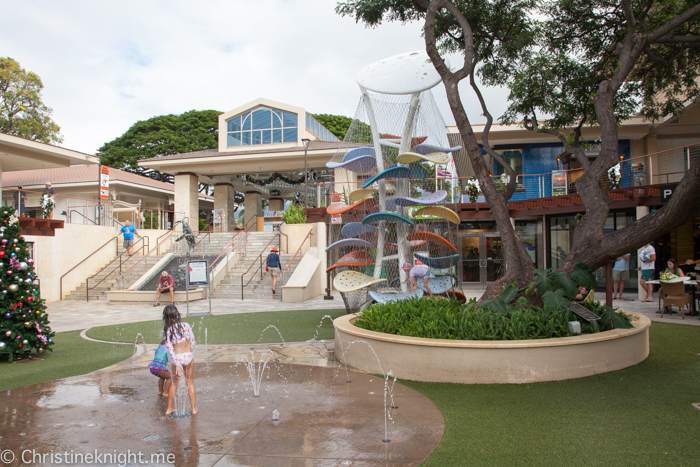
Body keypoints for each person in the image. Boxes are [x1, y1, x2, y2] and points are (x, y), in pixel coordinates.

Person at [163, 305, 197, 416]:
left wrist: (177, 363)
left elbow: (169, 347)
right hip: (188, 355)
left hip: (177, 356)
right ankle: (193, 409)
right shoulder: (186, 325)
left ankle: (169, 409)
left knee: (174, 383)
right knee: (190, 383)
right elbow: (192, 341)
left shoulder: (169, 330)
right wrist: (189, 353)